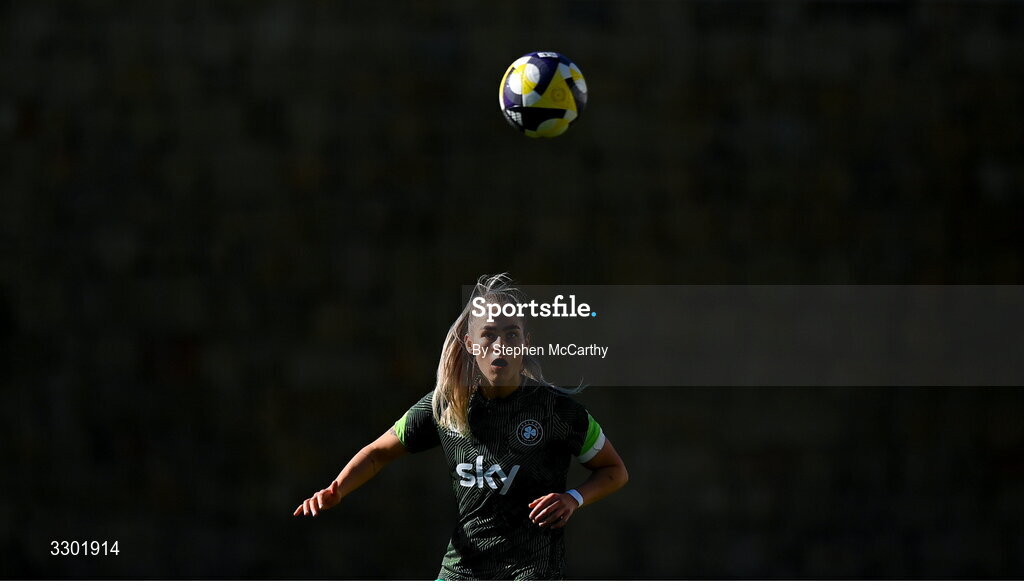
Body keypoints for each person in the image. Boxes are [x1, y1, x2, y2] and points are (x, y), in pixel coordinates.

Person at [293, 274, 628, 580]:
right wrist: (337, 488)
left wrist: (574, 498)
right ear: (470, 344)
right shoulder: (446, 406)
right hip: (462, 570)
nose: (501, 346)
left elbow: (615, 471)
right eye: (490, 334)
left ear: (526, 342)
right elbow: (377, 454)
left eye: (512, 334)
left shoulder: (558, 411)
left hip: (531, 571)